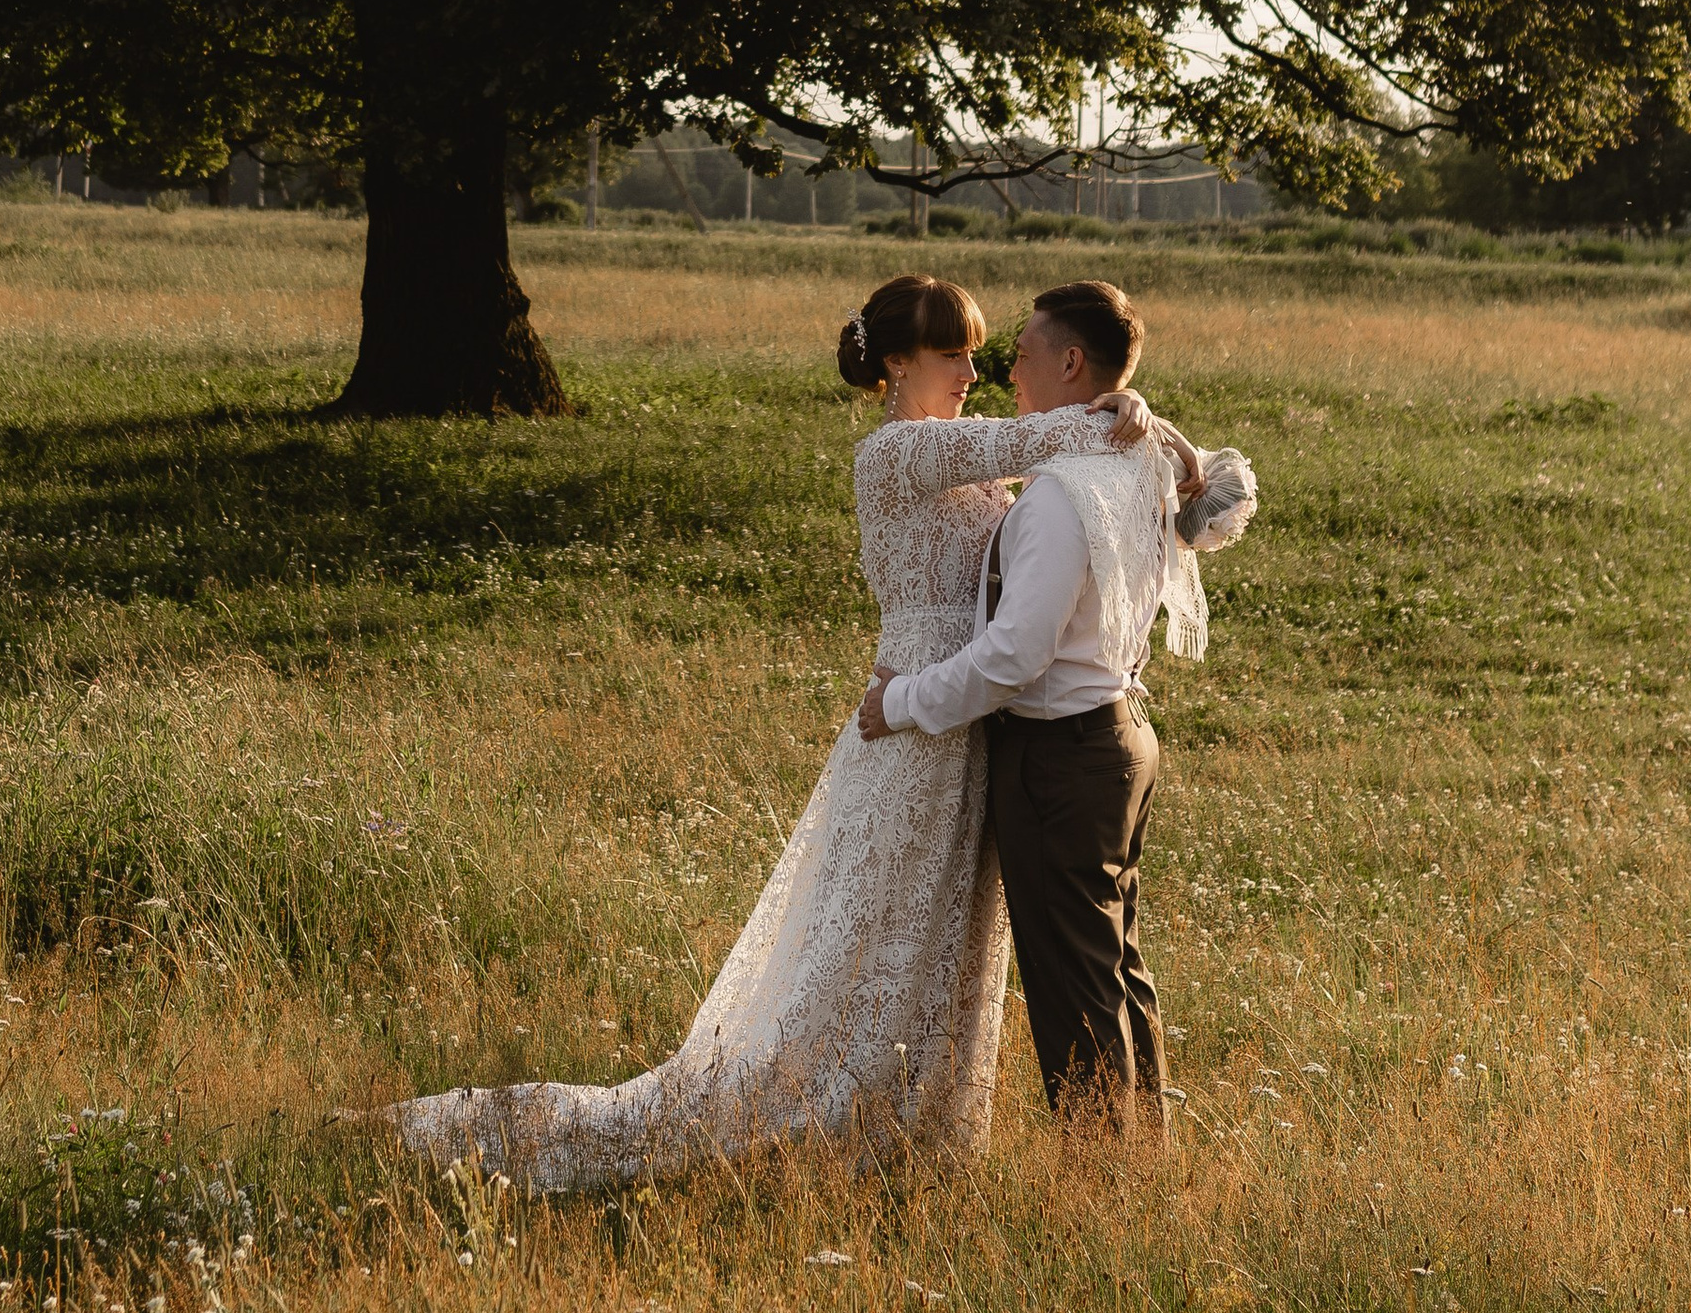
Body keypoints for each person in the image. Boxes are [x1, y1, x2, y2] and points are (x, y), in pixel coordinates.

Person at [388, 270, 1242, 1191]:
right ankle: (839, 1118)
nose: (974, 370)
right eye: (953, 352)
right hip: (913, 721)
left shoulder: (977, 453)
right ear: (898, 363)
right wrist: (1132, 410)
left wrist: (1142, 414)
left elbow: (1076, 450)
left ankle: (920, 1128)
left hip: (973, 727)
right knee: (876, 936)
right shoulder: (895, 456)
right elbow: (1054, 430)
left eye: (978, 350)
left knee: (949, 938)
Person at [858, 277, 1251, 1133]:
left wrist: (903, 702)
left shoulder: (1061, 494)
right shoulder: (1121, 464)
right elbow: (1199, 491)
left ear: (1071, 362)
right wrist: (1138, 413)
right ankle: (1136, 1153)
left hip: (1059, 752)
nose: (998, 372)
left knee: (1074, 979)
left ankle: (1104, 1172)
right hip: (1118, 736)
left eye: (1020, 353)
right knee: (1112, 963)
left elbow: (1011, 656)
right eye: (961, 354)